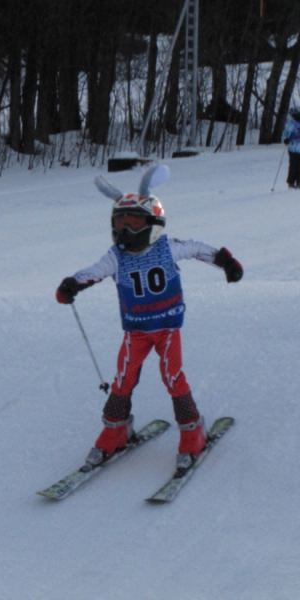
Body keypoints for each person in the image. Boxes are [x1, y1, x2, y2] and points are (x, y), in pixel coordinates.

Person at [55, 165, 243, 474]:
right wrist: (72, 284)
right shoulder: (117, 256)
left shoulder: (166, 249)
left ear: (153, 222)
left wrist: (227, 262)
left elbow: (197, 249)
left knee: (172, 376)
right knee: (123, 379)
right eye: (121, 223)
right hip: (137, 331)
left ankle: (192, 429)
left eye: (135, 222)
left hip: (166, 328)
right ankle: (116, 428)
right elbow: (94, 272)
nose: (127, 231)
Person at [281, 109, 300, 189]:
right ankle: (291, 182)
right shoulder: (291, 124)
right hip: (293, 148)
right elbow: (285, 133)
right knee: (294, 165)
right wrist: (286, 139)